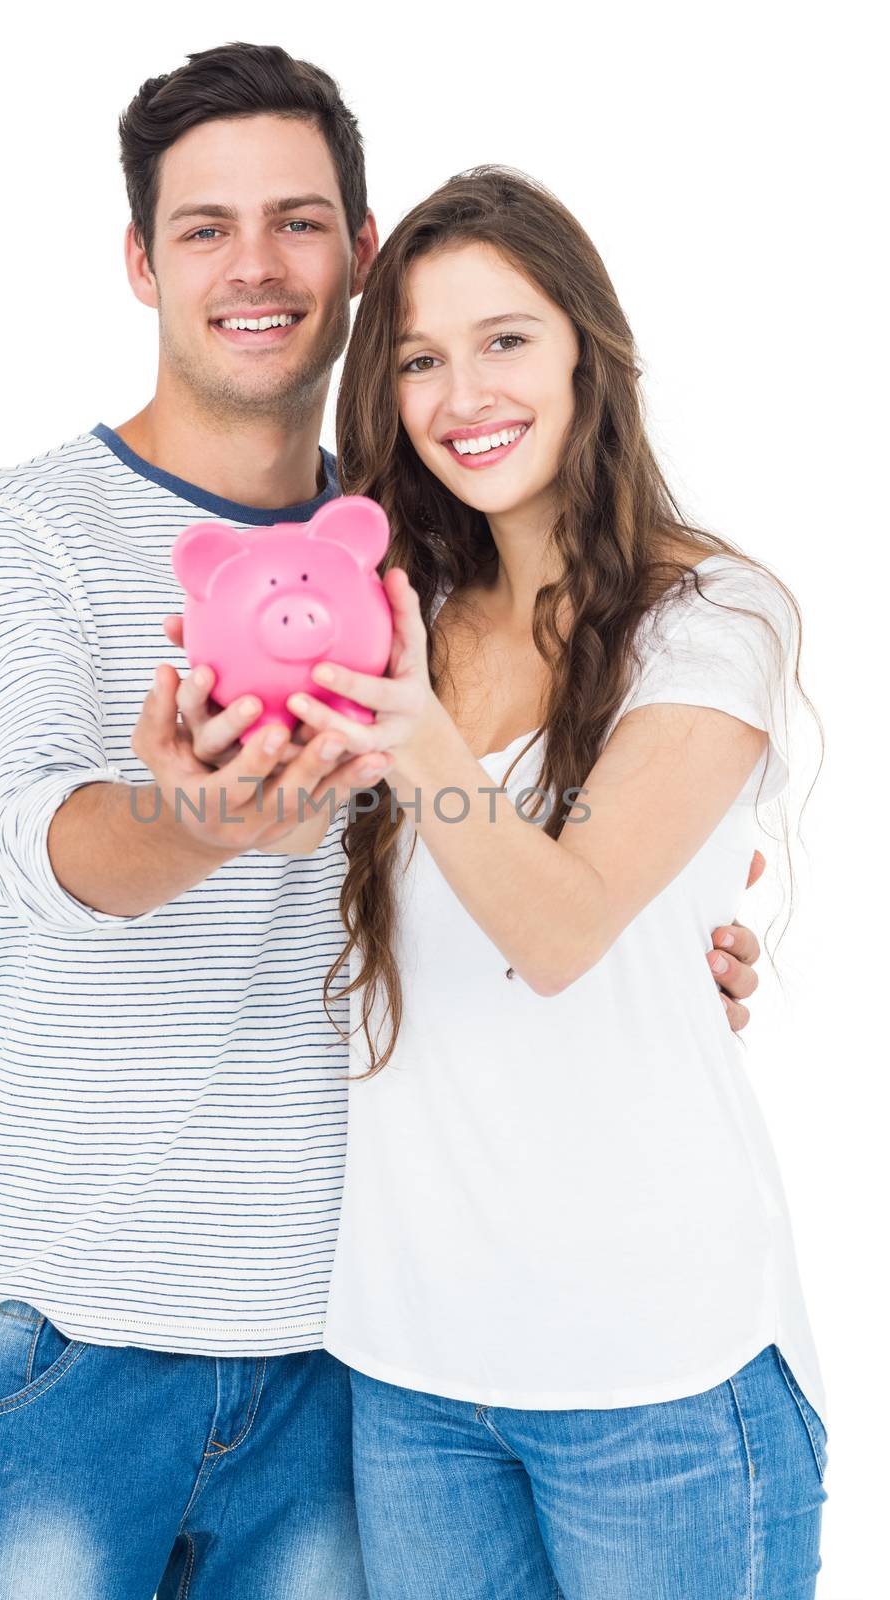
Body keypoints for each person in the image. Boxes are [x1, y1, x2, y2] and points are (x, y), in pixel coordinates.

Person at [0, 44, 768, 1600]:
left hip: (351, 1352)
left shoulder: (418, 566)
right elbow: (38, 845)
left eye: (299, 221)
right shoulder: (20, 528)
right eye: (204, 228)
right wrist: (195, 821)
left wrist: (689, 947)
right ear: (137, 261)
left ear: (359, 255)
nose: (256, 267)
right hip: (75, 1326)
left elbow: (560, 851)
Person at [277, 167, 829, 1598]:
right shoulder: (393, 621)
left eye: (505, 338)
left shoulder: (712, 617)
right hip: (408, 1374)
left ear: (587, 347)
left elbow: (568, 926)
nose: (464, 390)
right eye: (416, 356)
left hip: (655, 1380)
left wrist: (417, 734)